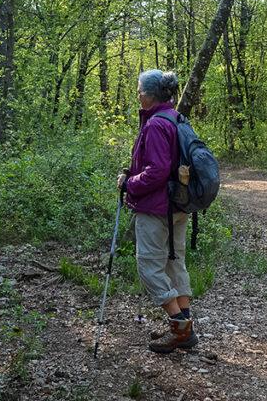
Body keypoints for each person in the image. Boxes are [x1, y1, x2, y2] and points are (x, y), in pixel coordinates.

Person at [117, 69, 197, 354]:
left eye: (139, 90)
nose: (137, 95)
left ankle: (179, 328)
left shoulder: (154, 124)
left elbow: (158, 172)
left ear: (149, 95)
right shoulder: (176, 118)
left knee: (150, 266)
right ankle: (184, 329)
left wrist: (129, 183)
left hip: (156, 208)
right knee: (175, 264)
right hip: (178, 204)